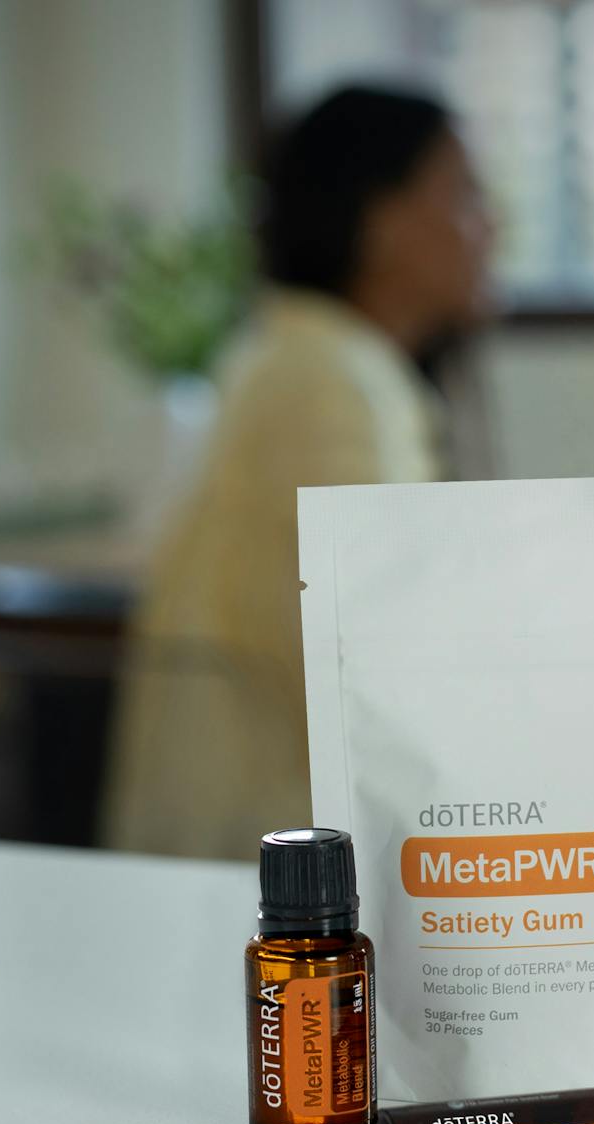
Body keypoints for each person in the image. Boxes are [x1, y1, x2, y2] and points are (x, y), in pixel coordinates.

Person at [104, 86, 496, 858]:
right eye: (464, 194)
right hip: (267, 865)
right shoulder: (330, 382)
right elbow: (386, 667)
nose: (492, 225)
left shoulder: (313, 357)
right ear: (382, 222)